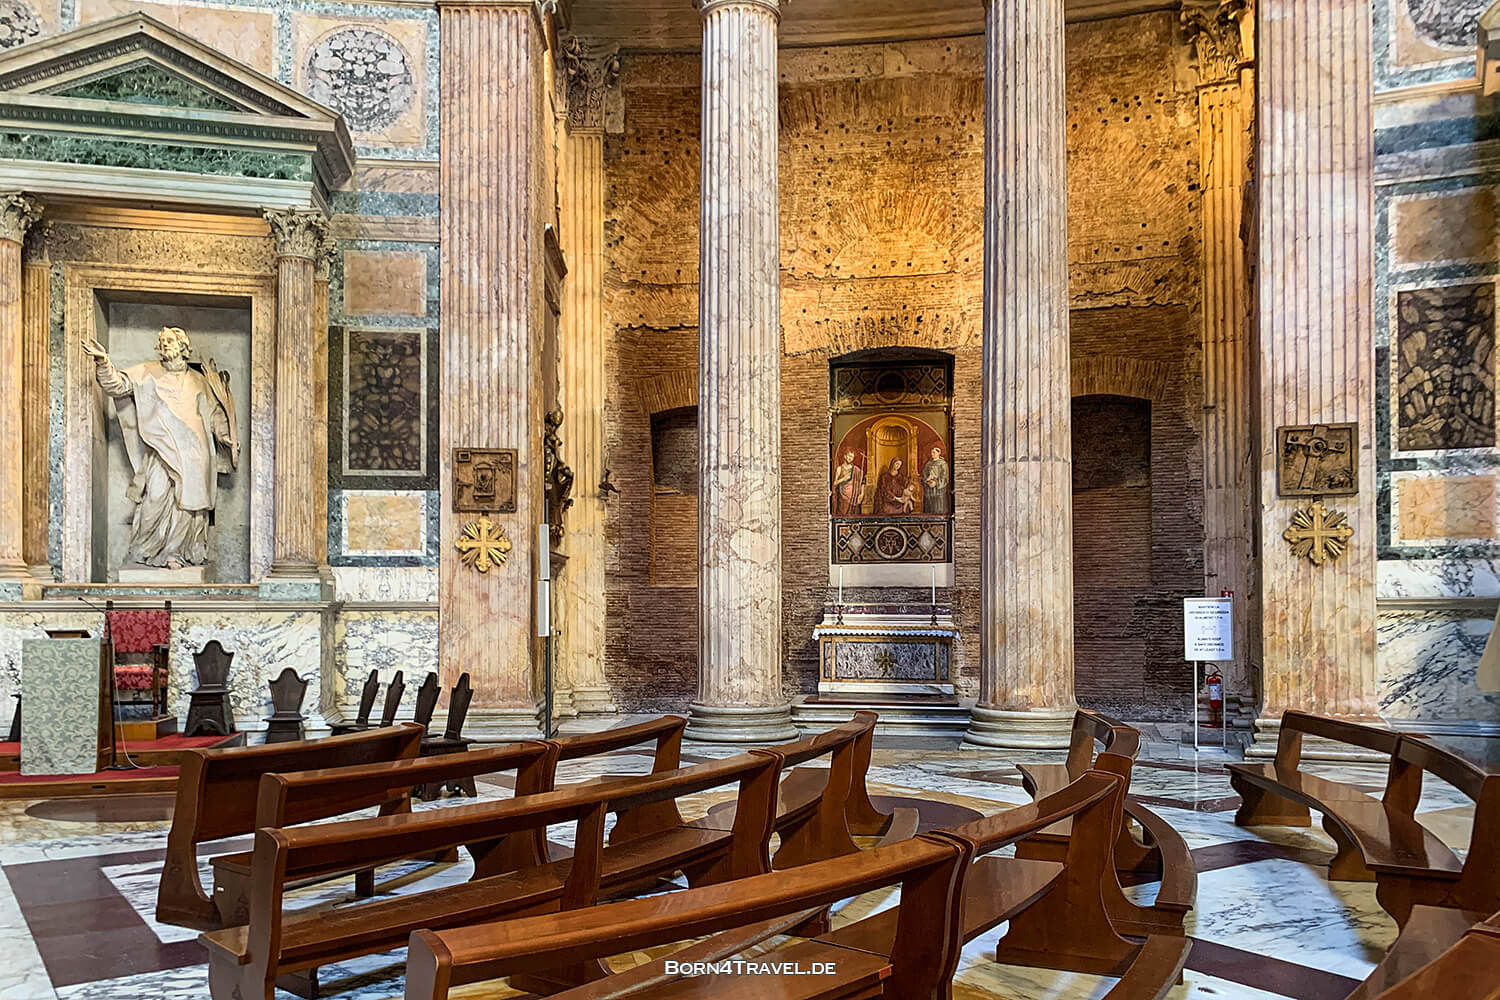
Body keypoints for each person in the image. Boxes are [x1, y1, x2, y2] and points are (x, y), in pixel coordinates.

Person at [80, 327, 238, 569]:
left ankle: (177, 552)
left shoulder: (199, 381)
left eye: (170, 341)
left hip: (194, 452)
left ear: (183, 347)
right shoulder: (147, 373)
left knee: (188, 504)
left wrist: (226, 437)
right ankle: (146, 547)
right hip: (161, 449)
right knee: (155, 496)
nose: (165, 345)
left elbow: (214, 414)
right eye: (162, 341)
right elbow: (116, 386)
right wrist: (104, 363)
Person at [831, 449, 864, 516]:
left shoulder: (856, 470)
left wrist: (862, 493)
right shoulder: (839, 468)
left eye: (852, 457)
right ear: (845, 456)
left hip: (854, 497)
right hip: (843, 496)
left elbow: (862, 481)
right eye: (849, 456)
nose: (850, 458)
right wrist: (843, 479)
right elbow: (834, 483)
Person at [922, 445, 950, 515]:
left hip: (939, 491)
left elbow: (944, 477)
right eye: (931, 452)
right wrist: (927, 481)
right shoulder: (928, 464)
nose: (932, 454)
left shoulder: (942, 464)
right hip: (929, 490)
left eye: (934, 452)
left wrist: (936, 483)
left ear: (939, 453)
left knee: (938, 507)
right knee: (929, 508)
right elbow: (924, 475)